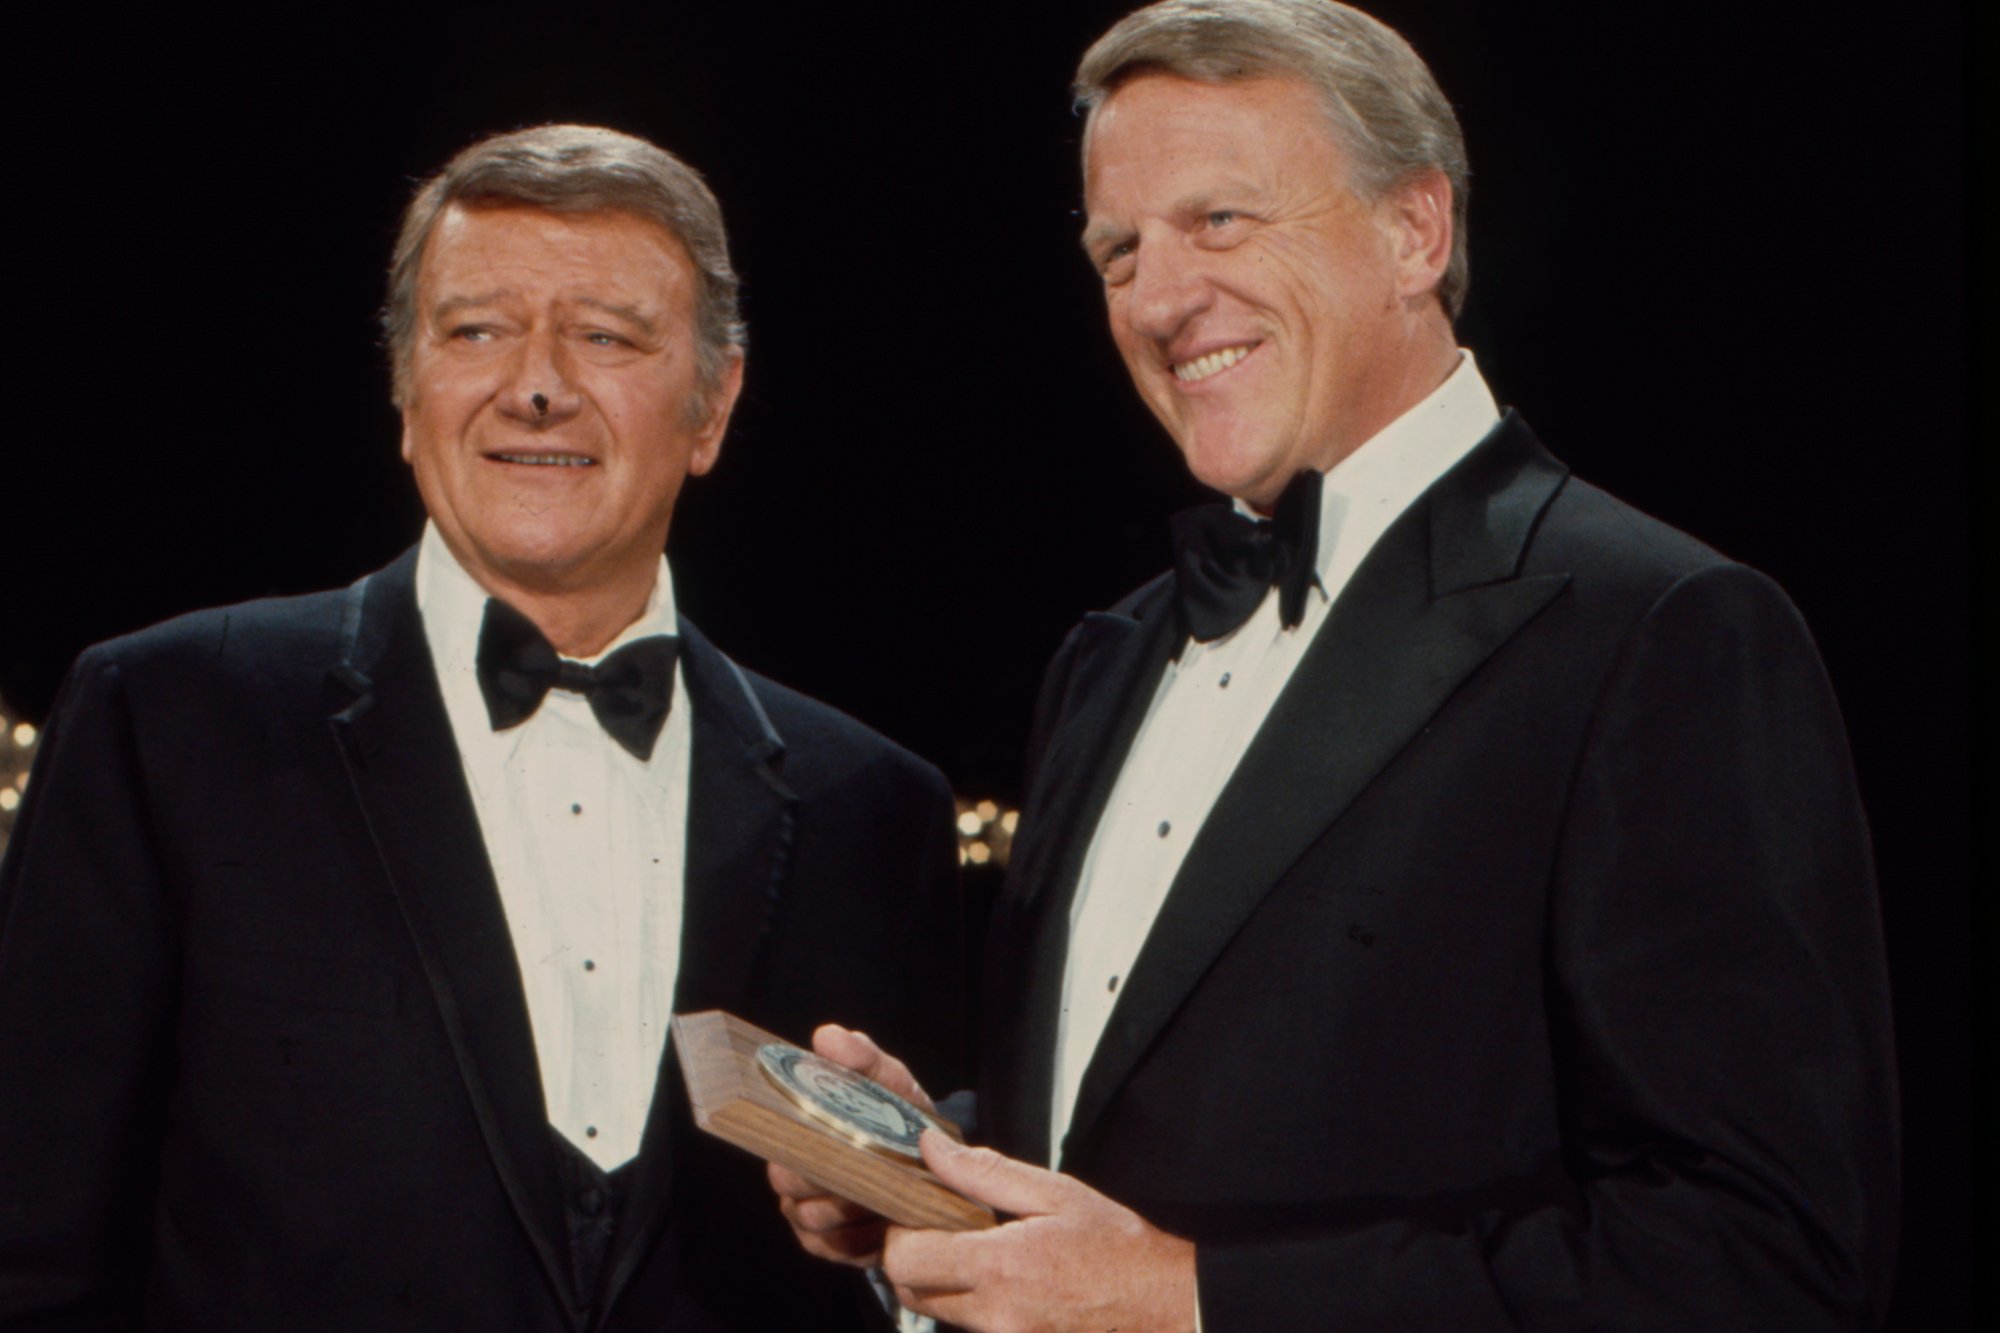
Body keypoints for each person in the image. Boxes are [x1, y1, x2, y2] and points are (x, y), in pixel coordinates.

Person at [771, 2, 1898, 1328]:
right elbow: (1171, 1138)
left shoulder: (1662, 631)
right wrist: (938, 1165)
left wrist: (1194, 1300)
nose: (1160, 296)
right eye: (1118, 247)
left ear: (1414, 232)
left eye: (1222, 222)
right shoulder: (1110, 655)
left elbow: (1763, 1265)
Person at [0, 124, 961, 1331]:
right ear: (408, 391)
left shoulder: (871, 809)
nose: (536, 382)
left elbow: (903, 1266)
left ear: (712, 405)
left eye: (605, 335)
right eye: (475, 330)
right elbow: (28, 1250)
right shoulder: (165, 721)